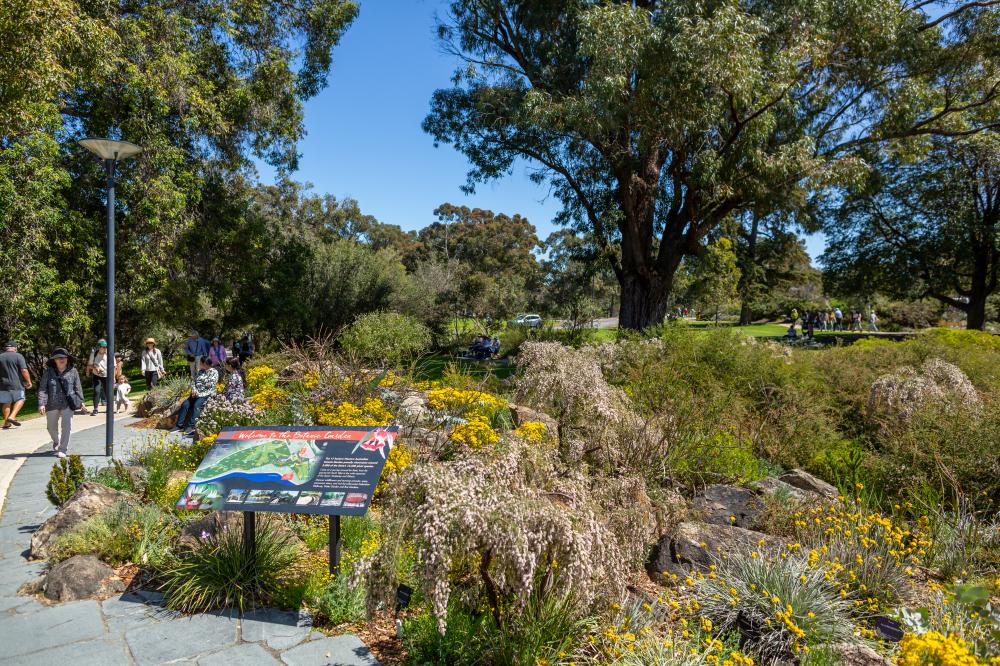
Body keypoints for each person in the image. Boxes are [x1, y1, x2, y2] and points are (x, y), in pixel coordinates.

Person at [38, 348, 85, 458]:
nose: (61, 359)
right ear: (54, 360)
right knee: (51, 427)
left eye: (63, 357)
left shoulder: (73, 370)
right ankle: (57, 441)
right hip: (51, 403)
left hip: (68, 403)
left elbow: (78, 387)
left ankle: (63, 449)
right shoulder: (48, 372)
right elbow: (42, 389)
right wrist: (41, 403)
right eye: (59, 358)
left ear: (67, 359)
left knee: (67, 426)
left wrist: (81, 401)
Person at [175, 357, 219, 435]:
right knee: (185, 404)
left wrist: (199, 389)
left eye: (201, 363)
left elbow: (211, 384)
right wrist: (194, 390)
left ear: (205, 364)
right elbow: (194, 382)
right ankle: (179, 426)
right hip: (196, 393)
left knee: (196, 405)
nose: (200, 365)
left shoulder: (214, 372)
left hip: (206, 393)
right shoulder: (200, 371)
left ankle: (191, 427)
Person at [1, 341, 32, 429]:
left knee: (6, 402)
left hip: (3, 385)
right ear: (15, 348)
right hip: (16, 383)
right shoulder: (18, 356)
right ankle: (12, 416)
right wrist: (29, 381)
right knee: (21, 399)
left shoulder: (0, 356)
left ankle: (6, 422)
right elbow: (24, 370)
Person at [86, 339, 109, 415]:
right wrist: (95, 368)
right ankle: (95, 409)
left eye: (106, 346)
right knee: (97, 391)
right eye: (103, 347)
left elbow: (114, 366)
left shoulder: (109, 354)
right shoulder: (94, 354)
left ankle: (109, 408)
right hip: (97, 375)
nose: (105, 348)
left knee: (107, 392)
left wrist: (114, 377)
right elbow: (89, 365)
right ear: (99, 347)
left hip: (106, 375)